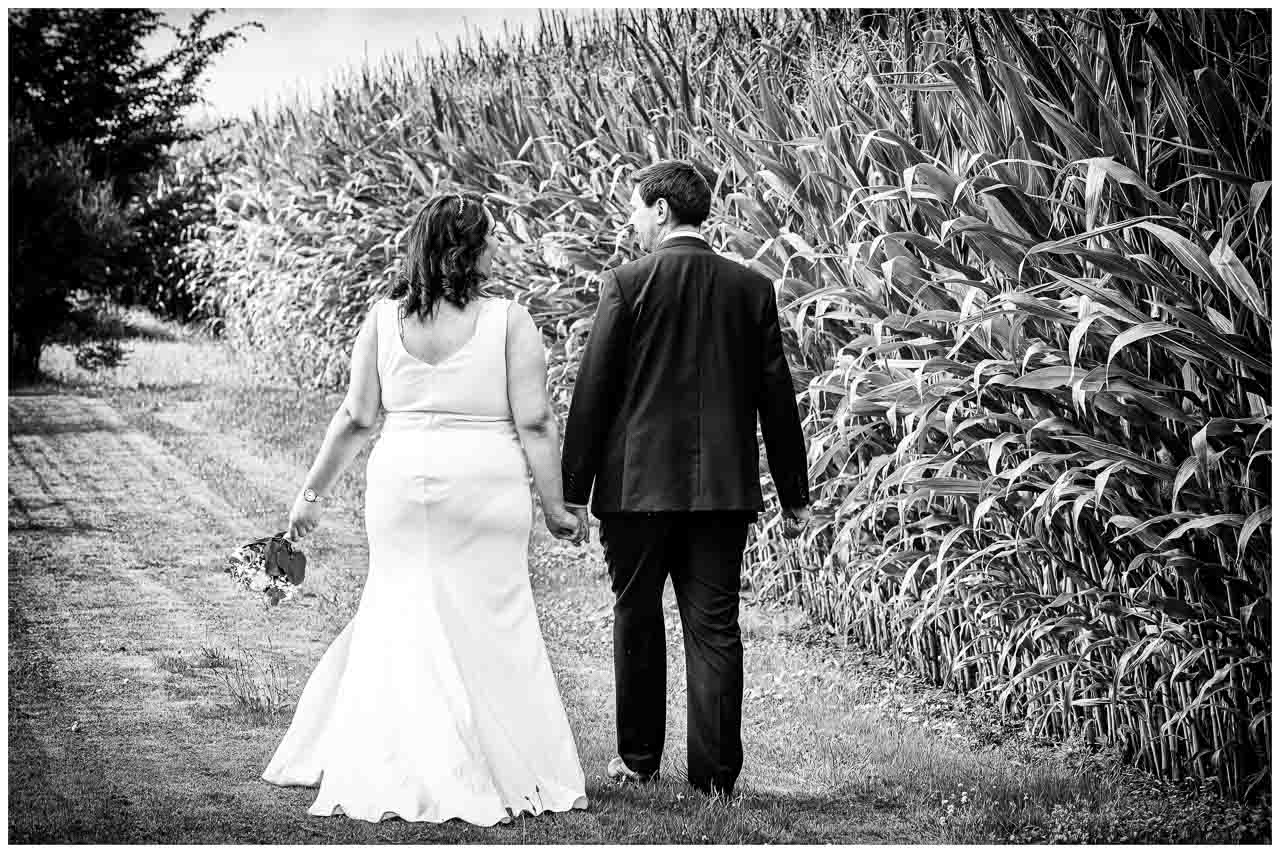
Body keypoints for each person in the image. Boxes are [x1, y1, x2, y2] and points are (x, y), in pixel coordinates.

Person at [262, 192, 590, 826]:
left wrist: (311, 493)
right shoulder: (509, 322)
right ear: (464, 251)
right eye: (490, 240)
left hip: (401, 483)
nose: (497, 250)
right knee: (495, 619)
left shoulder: (384, 320)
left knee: (400, 606)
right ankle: (503, 761)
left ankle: (399, 751)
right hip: (485, 486)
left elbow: (357, 418)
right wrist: (555, 506)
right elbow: (537, 421)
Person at [561, 160, 812, 798]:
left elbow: (594, 392)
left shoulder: (627, 284)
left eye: (637, 210)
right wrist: (793, 493)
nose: (633, 222)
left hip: (636, 491)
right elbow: (776, 397)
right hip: (721, 493)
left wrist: (572, 489)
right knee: (715, 626)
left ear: (663, 211)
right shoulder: (749, 288)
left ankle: (639, 757)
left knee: (636, 616)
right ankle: (714, 778)